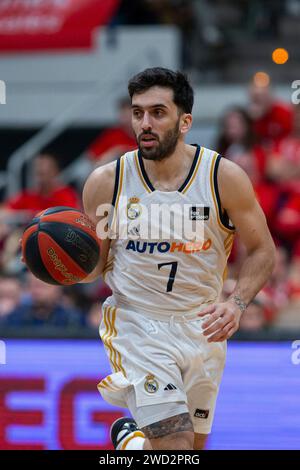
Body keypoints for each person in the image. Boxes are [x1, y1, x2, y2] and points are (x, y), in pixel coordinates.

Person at [81, 67, 275, 450]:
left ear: (185, 121)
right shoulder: (107, 182)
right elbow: (91, 271)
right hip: (138, 324)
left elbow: (263, 250)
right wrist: (61, 263)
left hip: (203, 326)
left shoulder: (223, 177)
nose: (145, 124)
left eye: (157, 112)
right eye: (138, 113)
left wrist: (236, 303)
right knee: (176, 443)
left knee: (187, 451)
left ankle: (131, 445)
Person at [5, 153, 80, 214]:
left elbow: (74, 217)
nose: (40, 179)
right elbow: (5, 210)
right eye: (37, 174)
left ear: (55, 172)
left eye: (43, 174)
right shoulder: (29, 195)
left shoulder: (65, 194)